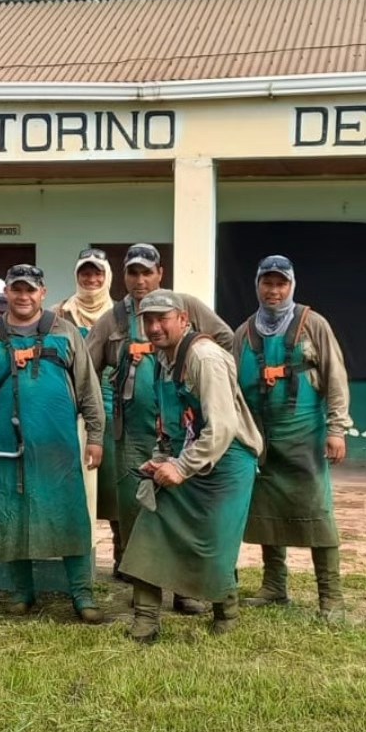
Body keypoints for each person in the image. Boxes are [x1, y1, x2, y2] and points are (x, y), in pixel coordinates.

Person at [0, 264, 107, 622]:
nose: (23, 296)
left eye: (30, 290)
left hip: (59, 449)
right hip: (8, 449)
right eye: (16, 290)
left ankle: (82, 595)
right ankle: (22, 592)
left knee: (70, 516)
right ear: (6, 294)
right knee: (14, 515)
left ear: (42, 292)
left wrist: (96, 437)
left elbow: (89, 390)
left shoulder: (66, 332)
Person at [87, 243, 233, 608]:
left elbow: (226, 339)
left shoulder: (187, 306)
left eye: (146, 272)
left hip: (183, 429)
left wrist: (209, 383)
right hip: (132, 429)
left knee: (184, 504)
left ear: (160, 273)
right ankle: (142, 581)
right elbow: (85, 368)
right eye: (132, 273)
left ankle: (185, 589)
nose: (139, 280)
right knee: (138, 507)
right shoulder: (114, 320)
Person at [119, 290, 262, 642]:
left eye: (162, 319)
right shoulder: (163, 360)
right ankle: (146, 619)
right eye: (147, 320)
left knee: (214, 545)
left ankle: (225, 616)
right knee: (150, 525)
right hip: (188, 457)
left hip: (227, 463)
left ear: (183, 319)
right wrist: (161, 459)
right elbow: (169, 423)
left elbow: (223, 427)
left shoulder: (205, 357)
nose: (154, 327)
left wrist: (182, 468)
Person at [233, 255, 351, 621]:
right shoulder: (243, 333)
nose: (274, 290)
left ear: (292, 285)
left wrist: (336, 429)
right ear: (257, 285)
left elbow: (335, 377)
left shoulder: (313, 325)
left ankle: (330, 599)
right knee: (268, 512)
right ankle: (274, 586)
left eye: (281, 283)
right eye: (267, 282)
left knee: (317, 512)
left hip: (305, 438)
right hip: (261, 441)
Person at [55, 248, 120, 554]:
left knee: (116, 485)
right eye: (85, 273)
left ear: (107, 277)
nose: (91, 279)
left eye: (97, 273)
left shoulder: (121, 316)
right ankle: (75, 551)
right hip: (67, 410)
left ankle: (122, 554)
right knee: (73, 484)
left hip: (112, 410)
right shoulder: (57, 314)